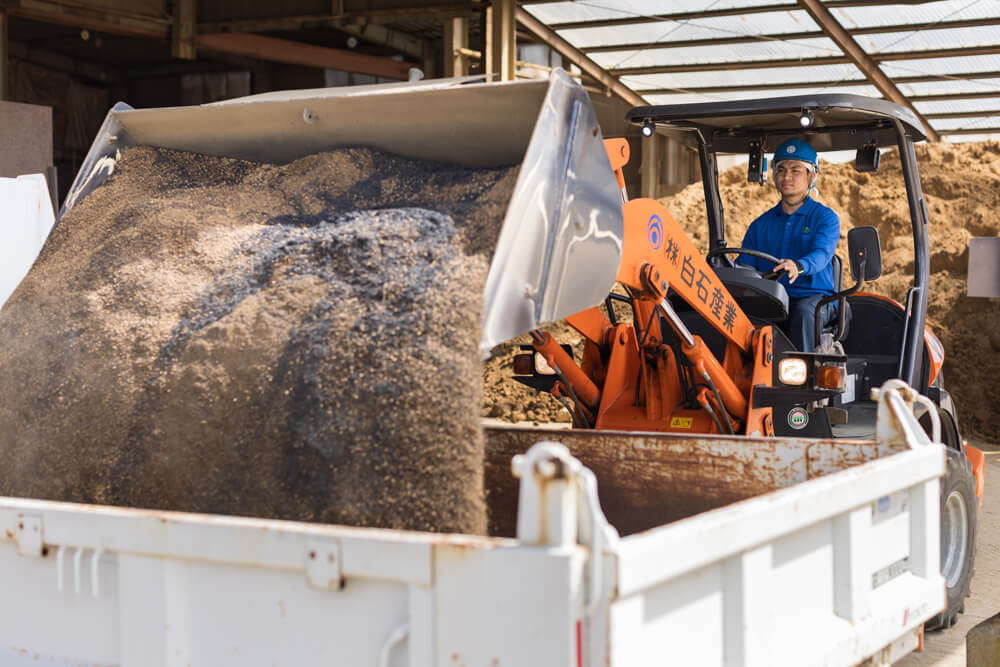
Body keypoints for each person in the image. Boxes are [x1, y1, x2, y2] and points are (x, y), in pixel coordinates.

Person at [739, 138, 840, 352]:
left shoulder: (824, 218)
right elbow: (744, 265)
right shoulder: (760, 225)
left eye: (796, 170)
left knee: (803, 313)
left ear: (811, 176)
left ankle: (801, 379)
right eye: (781, 170)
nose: (787, 177)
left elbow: (822, 253)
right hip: (773, 297)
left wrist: (799, 265)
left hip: (814, 297)